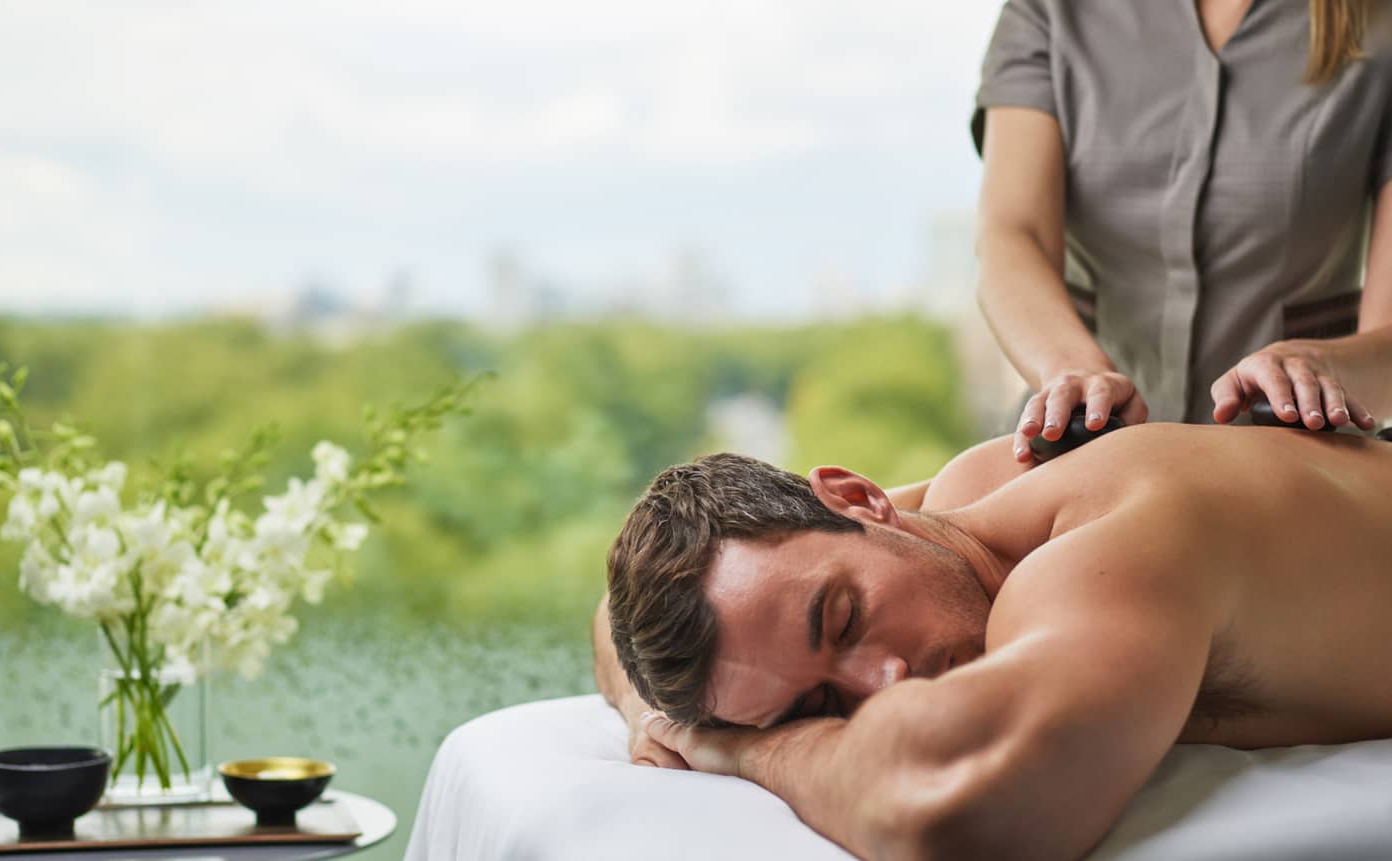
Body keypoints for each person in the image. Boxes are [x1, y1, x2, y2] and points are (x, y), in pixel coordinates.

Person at [591, 425, 1392, 859]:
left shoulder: (1099, 542)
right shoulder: (943, 515)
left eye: (843, 620)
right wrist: (649, 714)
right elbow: (609, 616)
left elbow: (943, 805)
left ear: (861, 497)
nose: (890, 684)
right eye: (821, 704)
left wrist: (746, 750)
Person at [973, 0, 1392, 462]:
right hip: (1076, 457)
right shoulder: (1052, 11)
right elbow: (1014, 233)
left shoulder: (1380, 22)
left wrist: (1317, 364)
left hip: (1289, 476)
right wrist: (1073, 371)